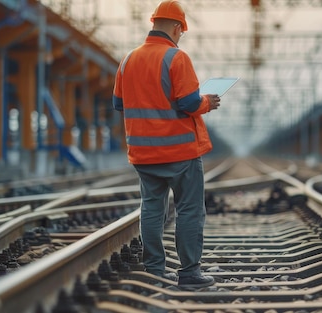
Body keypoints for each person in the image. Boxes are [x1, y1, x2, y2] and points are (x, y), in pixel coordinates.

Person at [112, 0, 220, 289]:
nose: (180, 36)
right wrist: (208, 102)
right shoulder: (176, 58)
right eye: (181, 31)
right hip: (179, 153)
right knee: (189, 209)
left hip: (143, 153)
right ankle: (189, 273)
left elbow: (118, 103)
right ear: (176, 27)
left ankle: (155, 271)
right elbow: (188, 103)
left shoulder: (128, 60)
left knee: (151, 209)